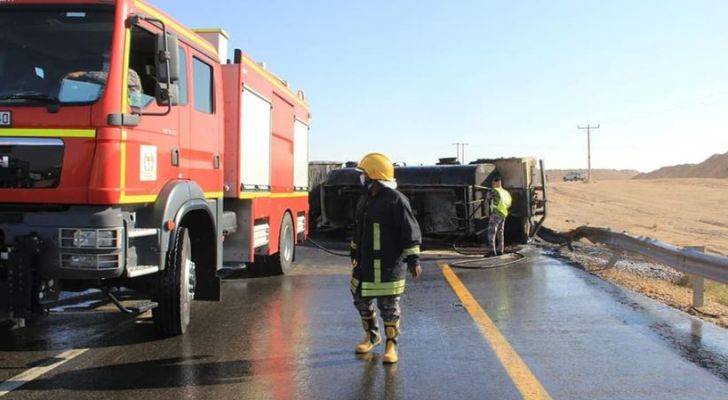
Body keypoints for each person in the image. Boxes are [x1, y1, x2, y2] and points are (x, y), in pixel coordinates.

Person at [350, 152, 422, 364]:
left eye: (364, 174)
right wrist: (354, 252)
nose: (361, 178)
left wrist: (414, 260)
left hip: (389, 266)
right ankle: (372, 336)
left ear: (374, 176)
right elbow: (358, 229)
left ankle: (391, 345)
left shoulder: (396, 200)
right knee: (360, 299)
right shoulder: (365, 199)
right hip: (365, 265)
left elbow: (409, 230)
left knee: (389, 307)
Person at [486, 175, 512, 257]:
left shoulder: (494, 191)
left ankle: (492, 251)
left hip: (495, 214)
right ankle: (500, 250)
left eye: (493, 183)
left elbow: (488, 199)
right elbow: (509, 204)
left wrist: (488, 195)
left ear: (496, 183)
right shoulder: (505, 192)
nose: (492, 184)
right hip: (503, 214)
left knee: (491, 233)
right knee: (500, 233)